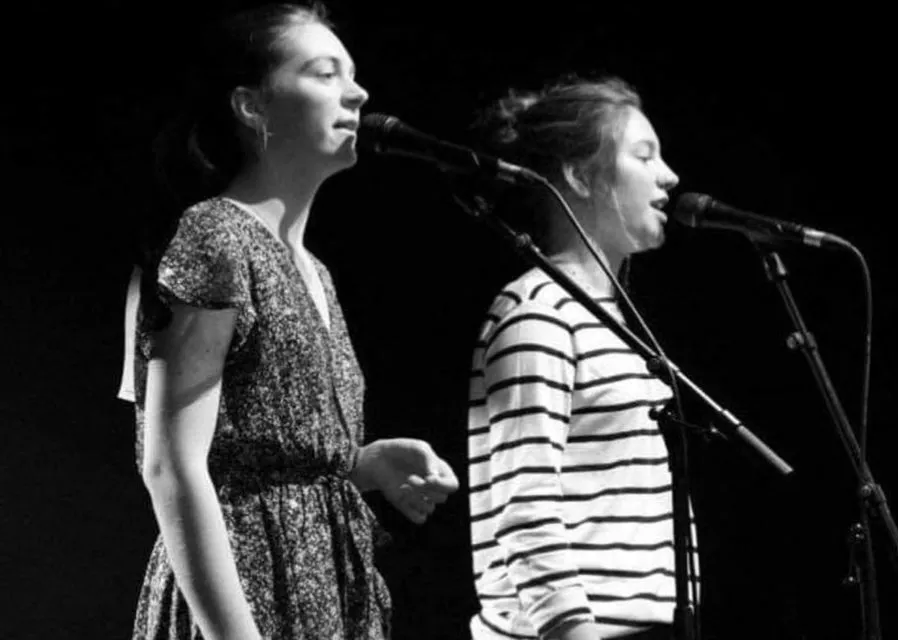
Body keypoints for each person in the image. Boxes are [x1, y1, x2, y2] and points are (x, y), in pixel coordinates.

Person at [116, 3, 459, 639]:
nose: (357, 92)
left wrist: (362, 463)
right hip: (243, 596)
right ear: (252, 106)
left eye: (352, 75)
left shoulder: (315, 270)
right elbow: (171, 464)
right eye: (325, 73)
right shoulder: (214, 237)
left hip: (326, 592)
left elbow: (257, 453)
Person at [465, 76, 694, 640]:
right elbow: (523, 500)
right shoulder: (537, 312)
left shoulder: (616, 321)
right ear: (578, 175)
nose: (670, 177)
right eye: (645, 156)